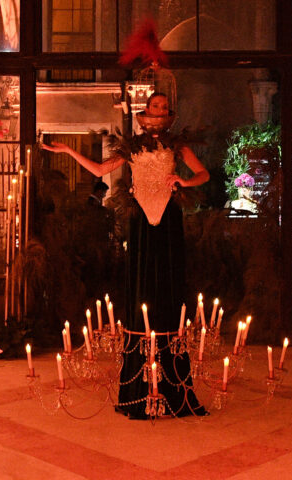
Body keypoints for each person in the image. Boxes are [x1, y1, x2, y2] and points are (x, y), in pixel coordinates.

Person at [41, 92, 209, 419]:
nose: (159, 110)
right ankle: (139, 376)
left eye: (164, 106)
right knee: (142, 283)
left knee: (167, 283)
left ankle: (171, 369)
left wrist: (183, 181)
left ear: (168, 113)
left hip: (168, 219)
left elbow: (204, 174)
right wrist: (69, 151)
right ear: (146, 111)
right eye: (155, 105)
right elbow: (100, 168)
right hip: (141, 222)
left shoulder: (178, 146)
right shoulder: (132, 147)